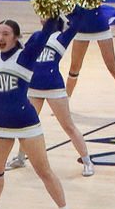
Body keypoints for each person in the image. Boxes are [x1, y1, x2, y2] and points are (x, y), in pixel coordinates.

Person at [0, 20, 73, 209]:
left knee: (44, 171)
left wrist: (52, 15)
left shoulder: (26, 57)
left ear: (16, 37)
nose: (0, 38)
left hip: (27, 124)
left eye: (6, 34)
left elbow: (44, 34)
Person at [6, 15, 94, 177]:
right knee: (26, 125)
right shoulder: (36, 36)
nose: (42, 17)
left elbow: (78, 23)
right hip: (33, 87)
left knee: (68, 126)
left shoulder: (61, 37)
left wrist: (73, 5)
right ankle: (20, 158)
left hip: (54, 87)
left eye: (46, 15)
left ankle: (87, 161)